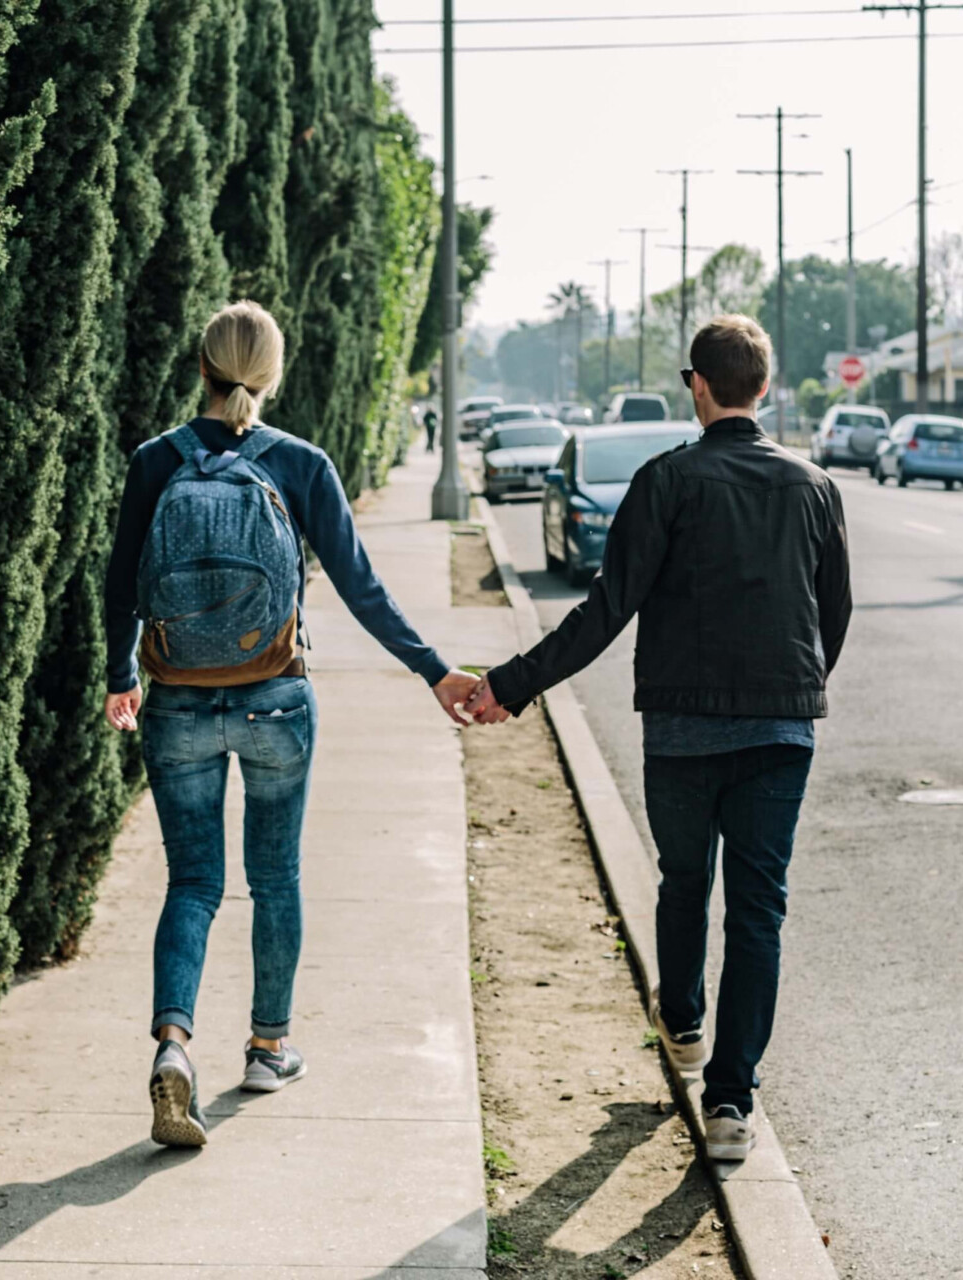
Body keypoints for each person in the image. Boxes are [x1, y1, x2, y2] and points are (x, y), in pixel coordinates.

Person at [467, 314, 851, 1162]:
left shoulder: (667, 482)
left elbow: (607, 611)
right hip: (783, 731)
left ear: (698, 385)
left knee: (684, 881)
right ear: (764, 385)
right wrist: (795, 689)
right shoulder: (816, 487)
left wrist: (510, 684)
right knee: (760, 911)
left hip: (681, 729)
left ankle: (681, 1023)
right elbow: (836, 614)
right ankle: (731, 1106)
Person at [104, 300, 481, 1148]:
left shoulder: (155, 462)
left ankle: (173, 1046)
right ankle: (269, 1047)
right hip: (276, 698)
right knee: (274, 876)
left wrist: (119, 674)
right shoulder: (302, 464)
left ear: (199, 368)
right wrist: (433, 670)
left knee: (193, 883)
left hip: (178, 704)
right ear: (272, 377)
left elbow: (120, 582)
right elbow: (360, 585)